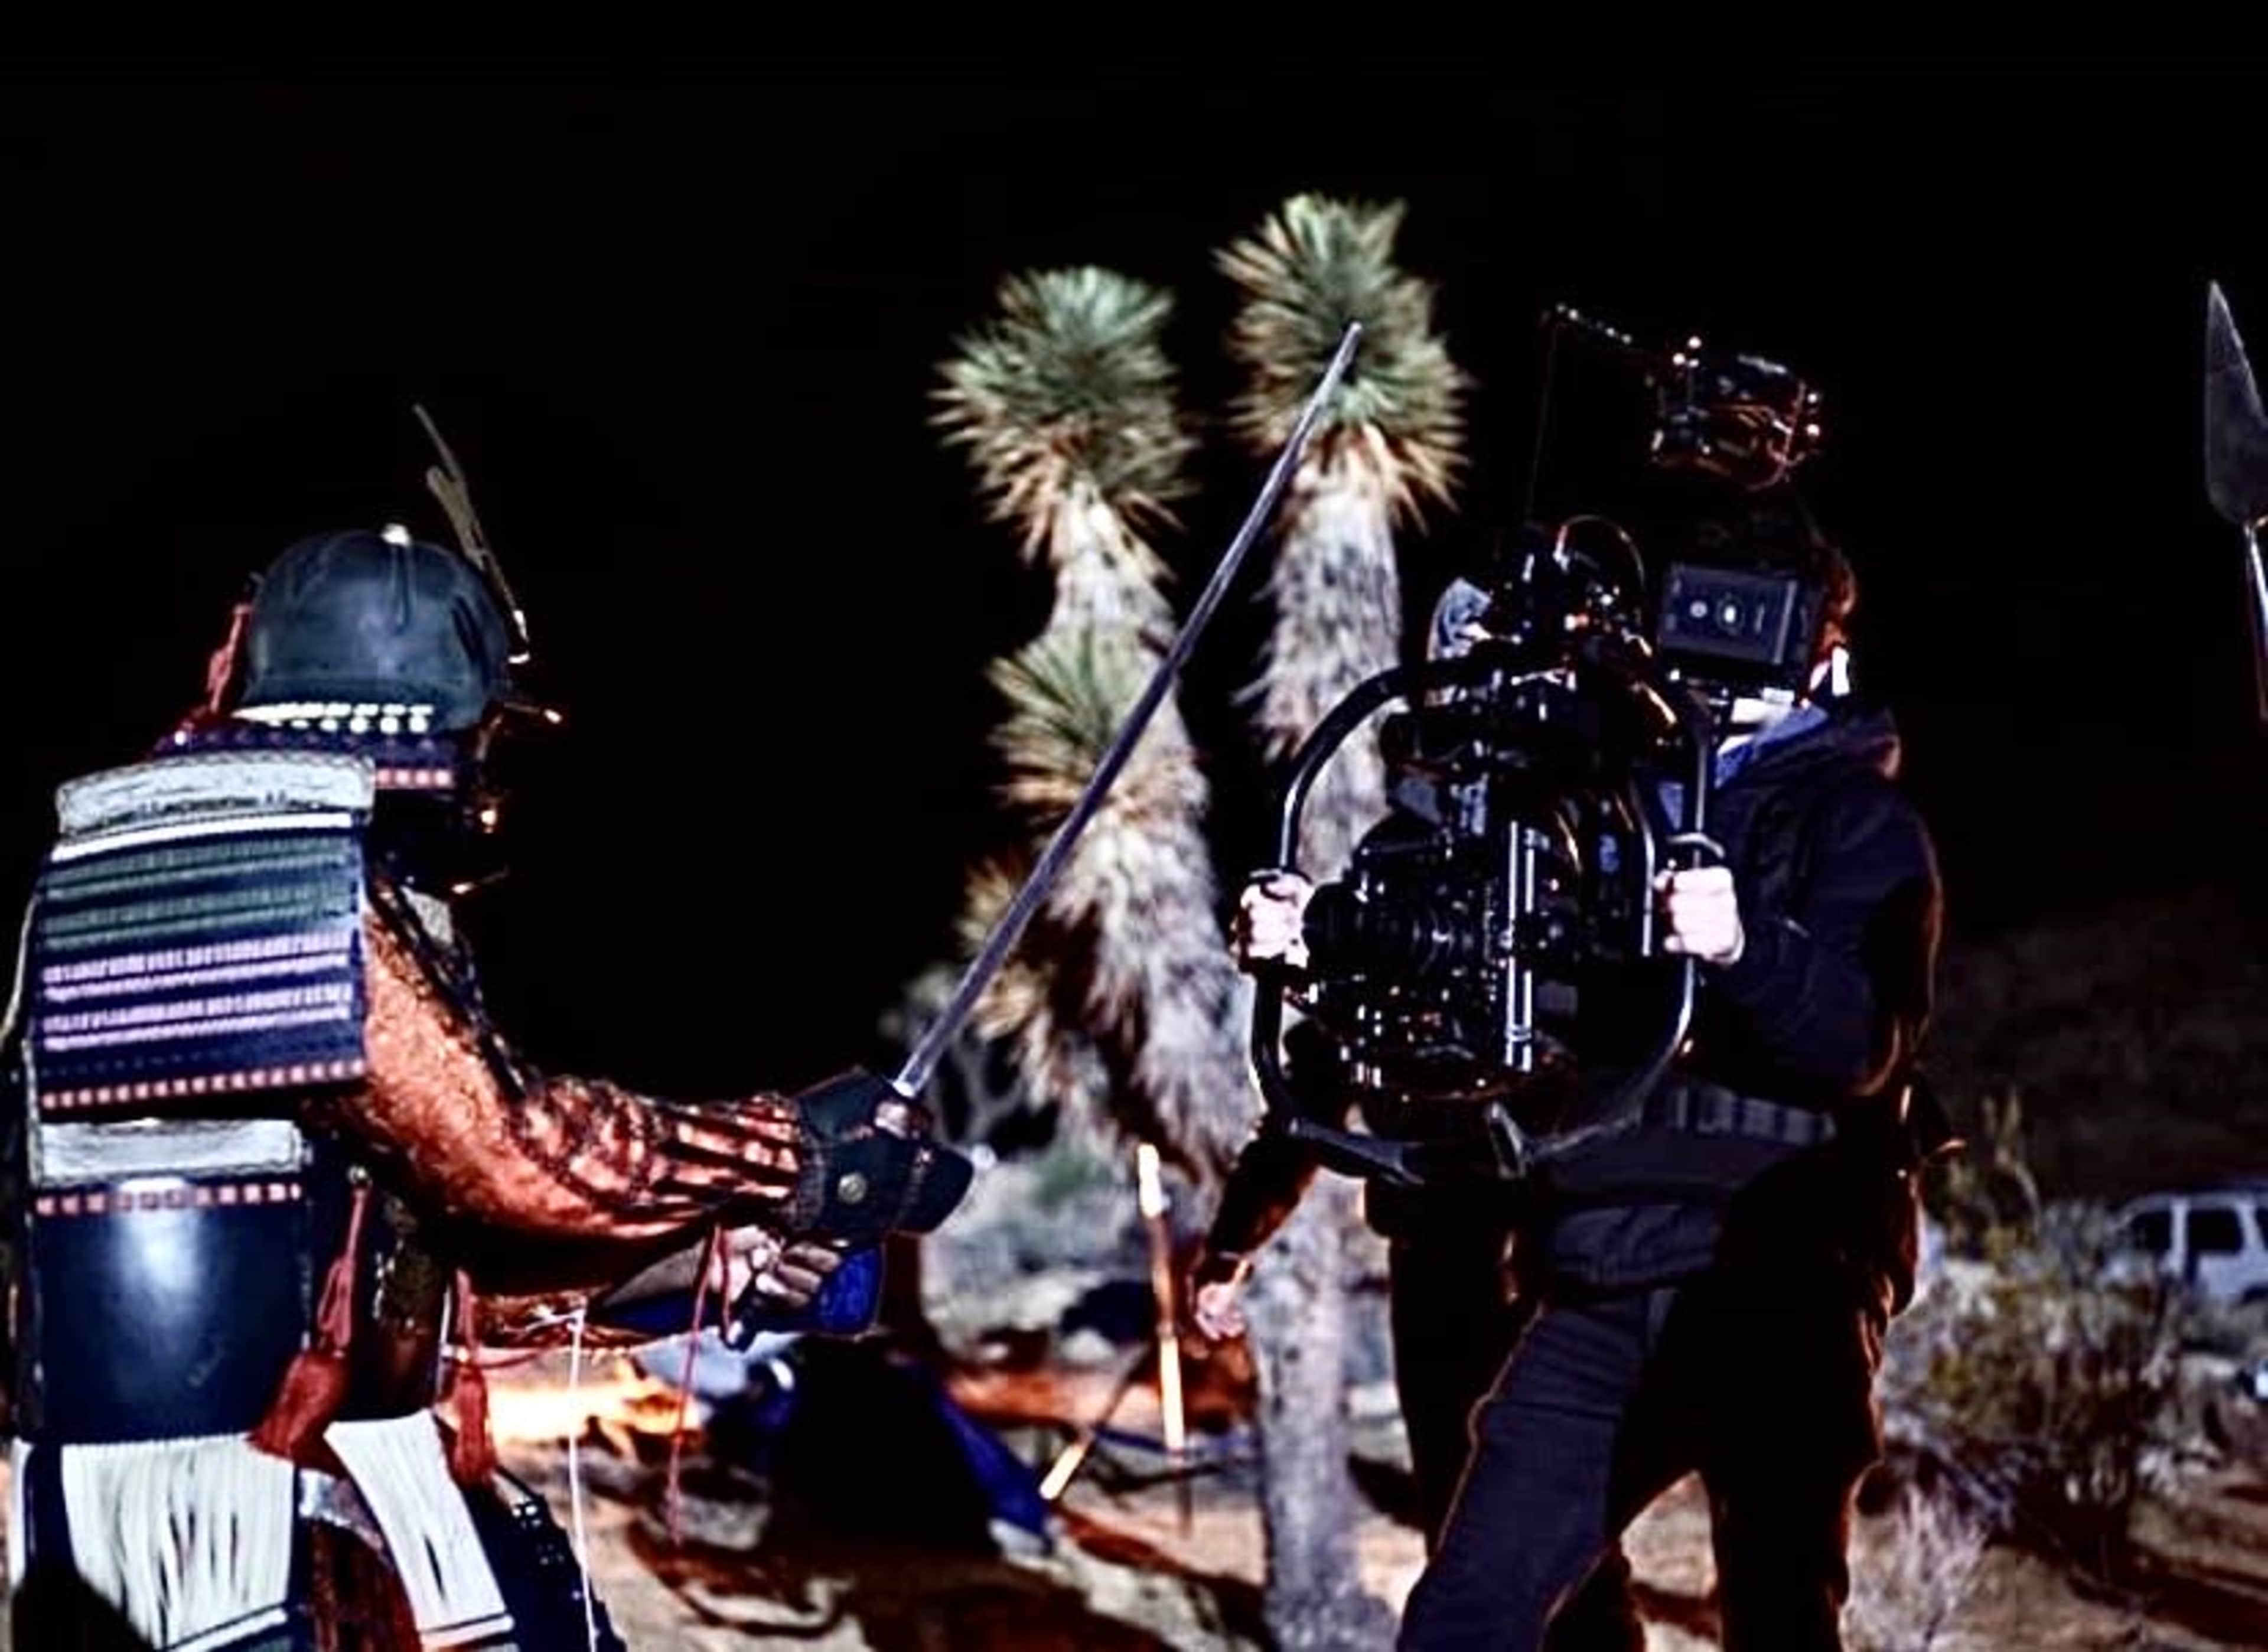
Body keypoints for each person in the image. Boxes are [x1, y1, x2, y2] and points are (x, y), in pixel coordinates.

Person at [2, 524, 969, 1649]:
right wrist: (795, 1152)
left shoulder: (263, 861)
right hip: (220, 1515)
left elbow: (418, 1272)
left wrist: (710, 1256)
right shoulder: (241, 867)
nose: (487, 763)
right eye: (478, 727)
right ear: (408, 714)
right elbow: (511, 1154)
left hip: (320, 1466)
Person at [1207, 498, 1943, 1650]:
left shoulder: (1862, 821)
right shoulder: (1598, 803)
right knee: (1468, 1612)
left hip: (1781, 1277)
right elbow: (1494, 971)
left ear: (1824, 655)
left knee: (1780, 1612)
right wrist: (1326, 940)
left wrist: (1744, 946)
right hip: (1601, 1273)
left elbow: (1860, 1047)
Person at [1190, 575, 1649, 1651]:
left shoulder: (1604, 837)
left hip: (1572, 1231)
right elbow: (1322, 1061)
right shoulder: (1399, 860)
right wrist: (1235, 1241)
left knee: (1559, 1531)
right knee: (1468, 1515)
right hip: (1444, 1238)